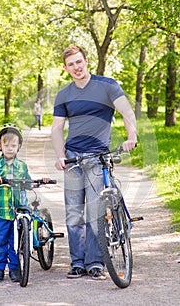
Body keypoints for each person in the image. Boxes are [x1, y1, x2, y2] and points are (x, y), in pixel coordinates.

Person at [51, 45, 137, 281]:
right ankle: (77, 263)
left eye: (79, 62)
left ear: (86, 61)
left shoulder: (107, 85)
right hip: (74, 158)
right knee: (73, 213)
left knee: (94, 213)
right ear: (66, 68)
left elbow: (126, 112)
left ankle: (96, 262)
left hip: (98, 157)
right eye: (71, 64)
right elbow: (57, 128)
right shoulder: (64, 95)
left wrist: (132, 137)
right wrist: (60, 154)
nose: (76, 67)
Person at [0, 123, 46, 283]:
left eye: (14, 145)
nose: (10, 148)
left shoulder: (21, 166)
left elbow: (28, 182)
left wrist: (39, 181)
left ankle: (15, 268)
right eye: (6, 145)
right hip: (2, 211)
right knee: (1, 239)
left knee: (16, 241)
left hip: (19, 209)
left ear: (19, 147)